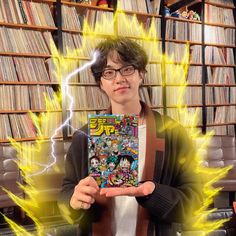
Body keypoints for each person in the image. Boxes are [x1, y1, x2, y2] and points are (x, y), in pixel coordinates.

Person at [58, 36, 203, 235]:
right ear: (100, 83)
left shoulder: (172, 133)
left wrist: (153, 192)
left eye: (127, 69)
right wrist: (73, 201)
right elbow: (66, 191)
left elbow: (195, 199)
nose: (119, 79)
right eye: (109, 72)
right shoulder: (84, 136)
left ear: (141, 73)